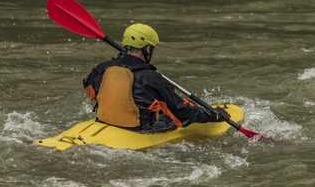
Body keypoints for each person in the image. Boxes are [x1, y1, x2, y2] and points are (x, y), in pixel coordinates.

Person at [83, 23, 230, 133]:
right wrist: (213, 116)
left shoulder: (102, 68)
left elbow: (89, 89)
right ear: (147, 48)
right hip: (140, 131)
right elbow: (183, 112)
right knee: (177, 110)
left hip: (104, 121)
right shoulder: (152, 78)